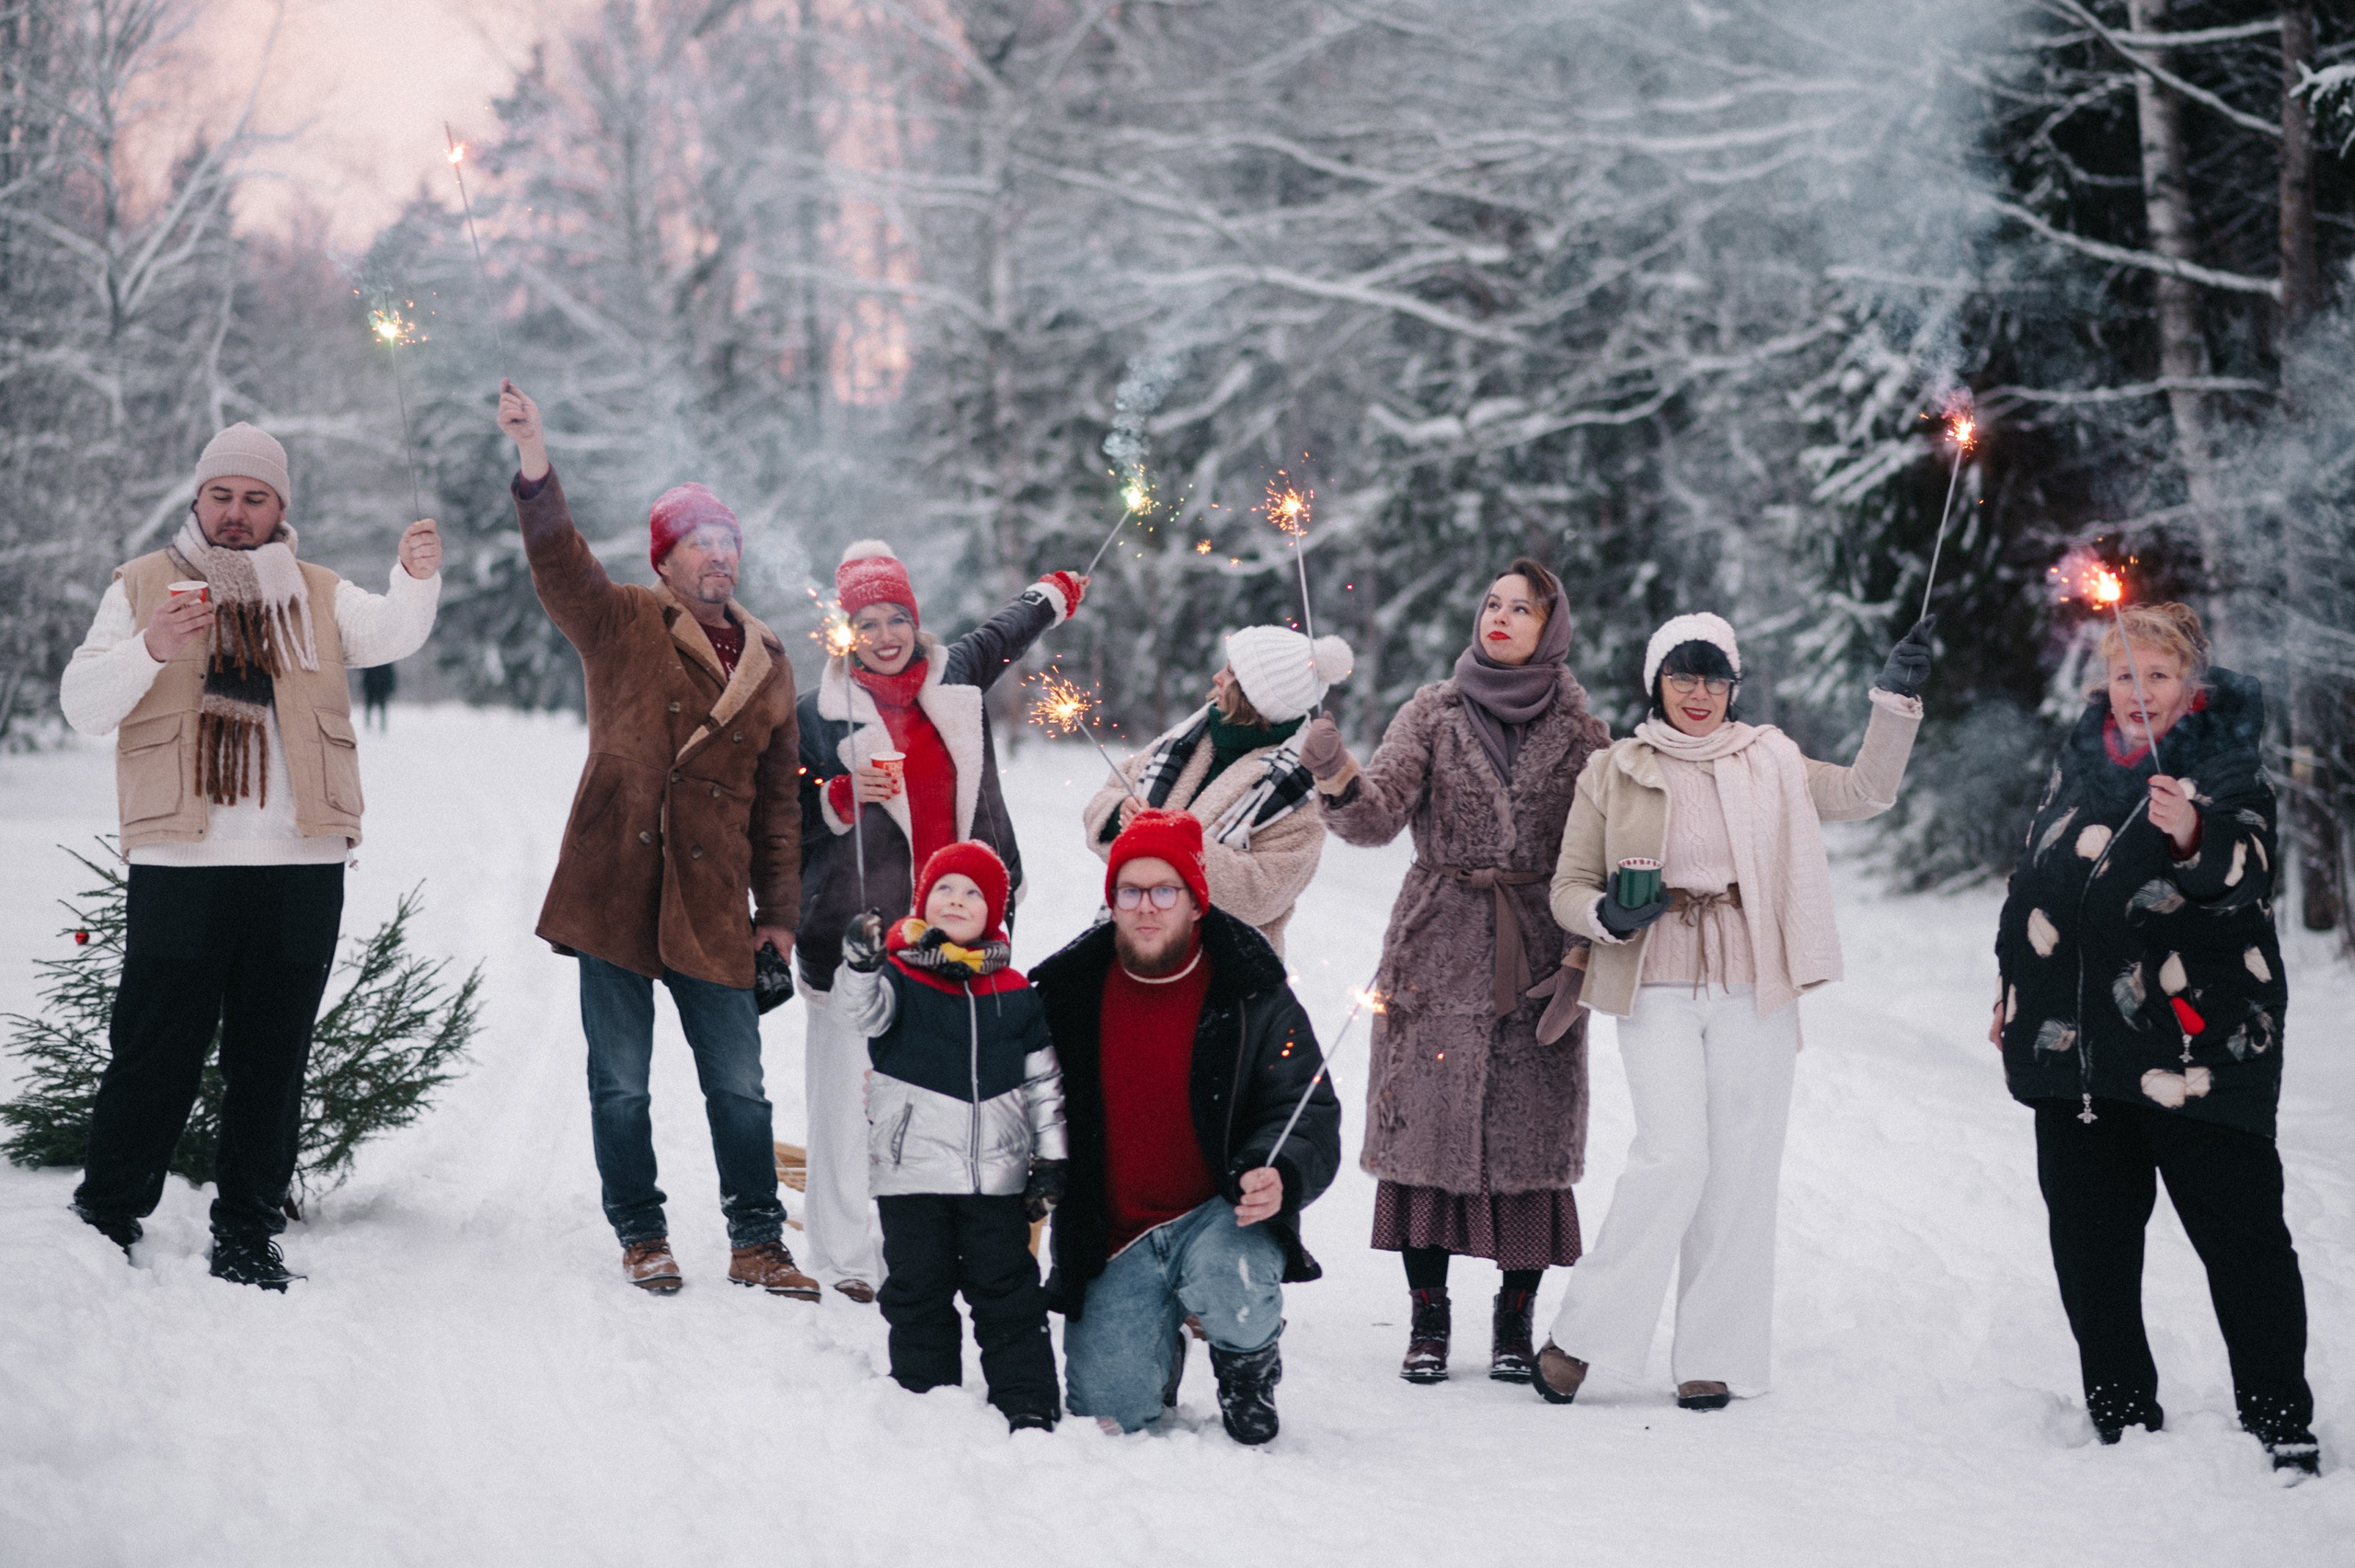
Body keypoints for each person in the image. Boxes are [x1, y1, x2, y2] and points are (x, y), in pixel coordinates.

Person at [59, 421, 442, 1288]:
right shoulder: (143, 587)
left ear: (280, 508)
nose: (236, 514)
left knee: (273, 1060)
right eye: (222, 495)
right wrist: (152, 644)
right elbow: (82, 702)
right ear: (198, 498)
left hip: (300, 862)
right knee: (154, 1050)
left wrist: (415, 577)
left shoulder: (316, 590)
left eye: (255, 498)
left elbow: (390, 634)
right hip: (180, 862)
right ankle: (109, 1215)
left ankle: (246, 1230)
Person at [1536, 611, 1930, 1408]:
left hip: (1754, 980)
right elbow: (1567, 887)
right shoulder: (1614, 768)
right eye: (1683, 676)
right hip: (1656, 978)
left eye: (1716, 678)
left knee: (1743, 1166)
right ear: (1656, 682)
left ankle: (1710, 1354)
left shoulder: (1770, 758)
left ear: (1734, 686)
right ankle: (1583, 1336)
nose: (1700, 694)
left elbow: (1864, 791)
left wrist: (1894, 704)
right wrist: (1604, 915)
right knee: (1673, 1155)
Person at [498, 381, 816, 1300]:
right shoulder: (623, 620)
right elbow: (559, 562)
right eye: (699, 543)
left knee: (741, 1088)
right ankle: (642, 1234)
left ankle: (759, 1241)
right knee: (622, 1084)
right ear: (666, 560)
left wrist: (779, 916)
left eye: (729, 542)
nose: (719, 555)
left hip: (715, 903)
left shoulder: (768, 654)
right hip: (617, 884)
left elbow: (777, 807)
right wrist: (533, 455)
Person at [1993, 603, 2317, 1476]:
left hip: (2197, 1055)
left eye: (2159, 675)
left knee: (2242, 1241)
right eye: (2125, 673)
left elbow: (2242, 875)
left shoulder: (2227, 770)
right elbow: (2035, 881)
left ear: (2193, 685)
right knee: (2090, 1244)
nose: (2138, 692)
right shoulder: (2081, 763)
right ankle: (2121, 1415)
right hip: (2079, 1053)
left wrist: (2192, 833)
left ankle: (2281, 1421)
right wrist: (2010, 983)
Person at [1295, 558, 1608, 1384]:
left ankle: (1515, 1319)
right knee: (1424, 1132)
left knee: (1529, 1139)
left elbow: (1610, 844)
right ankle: (1427, 1319)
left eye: (1523, 609)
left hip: (1540, 944)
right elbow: (1375, 816)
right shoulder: (1432, 712)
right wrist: (1334, 771)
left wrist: (1583, 953)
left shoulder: (1583, 732)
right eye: (1492, 603)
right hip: (1436, 941)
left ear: (1552, 628)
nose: (1501, 618)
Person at [796, 540, 1086, 1302]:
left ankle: (914, 1251)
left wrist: (1055, 591)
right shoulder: (819, 714)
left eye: (896, 617)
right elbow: (783, 818)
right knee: (844, 1093)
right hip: (855, 936)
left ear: (914, 620)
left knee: (924, 1096)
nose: (885, 634)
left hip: (951, 933)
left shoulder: (953, 677)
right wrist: (839, 795)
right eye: (867, 622)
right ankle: (846, 1253)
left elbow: (1006, 630)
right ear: (846, 631)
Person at [1029, 809, 1341, 1445]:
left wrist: (1278, 1172)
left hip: (1218, 1216)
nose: (1147, 906)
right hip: (1114, 1234)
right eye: (1130, 890)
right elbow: (1007, 1086)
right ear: (1112, 900)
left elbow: (1306, 1107)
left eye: (1165, 890)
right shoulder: (1066, 994)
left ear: (1197, 902)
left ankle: (1247, 1368)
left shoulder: (1252, 992)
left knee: (1238, 1278)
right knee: (1109, 1413)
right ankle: (1155, 1348)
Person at [831, 841, 1067, 1432]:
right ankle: (924, 1394)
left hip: (998, 1178)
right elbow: (862, 1014)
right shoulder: (898, 977)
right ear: (923, 902)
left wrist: (1054, 1159)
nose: (957, 900)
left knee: (1008, 1292)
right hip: (912, 1174)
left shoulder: (1015, 991)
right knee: (917, 1288)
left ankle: (1028, 1400)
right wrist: (860, 964)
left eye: (973, 893)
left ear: (995, 914)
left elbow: (1045, 1083)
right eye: (945, 889)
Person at [1081, 625, 1353, 954]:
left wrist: (1174, 842)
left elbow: (1264, 893)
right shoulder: (1183, 738)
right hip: (1127, 942)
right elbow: (1108, 795)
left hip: (1220, 968)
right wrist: (1118, 815)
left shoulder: (1302, 793)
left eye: (1230, 672)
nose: (1216, 677)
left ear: (1255, 694)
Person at [359, 662, 396, 729]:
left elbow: (390, 676)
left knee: (381, 708)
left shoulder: (385, 662)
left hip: (380, 687)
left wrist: (390, 688)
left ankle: (381, 725)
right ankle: (369, 725)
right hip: (372, 687)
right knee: (370, 707)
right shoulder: (373, 661)